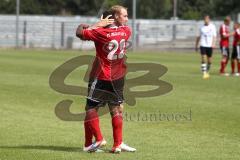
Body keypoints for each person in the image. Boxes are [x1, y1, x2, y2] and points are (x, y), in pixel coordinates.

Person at [76, 5, 136, 153]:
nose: (127, 19)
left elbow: (80, 32)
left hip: (101, 75)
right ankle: (117, 144)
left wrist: (96, 25)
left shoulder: (100, 32)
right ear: (115, 17)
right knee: (116, 109)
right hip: (118, 77)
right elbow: (115, 32)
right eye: (125, 16)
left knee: (91, 108)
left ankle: (98, 139)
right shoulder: (127, 31)